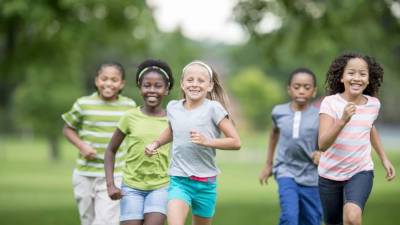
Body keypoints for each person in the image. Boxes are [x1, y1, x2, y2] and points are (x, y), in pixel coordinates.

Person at [145, 60, 241, 225]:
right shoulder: (173, 107)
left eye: (200, 81)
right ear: (182, 84)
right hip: (179, 180)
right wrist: (156, 143)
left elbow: (235, 142)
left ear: (210, 85)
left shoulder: (214, 108)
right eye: (190, 80)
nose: (194, 84)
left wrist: (207, 141)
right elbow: (172, 131)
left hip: (206, 184)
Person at [318, 52, 396, 225]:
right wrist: (343, 120)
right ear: (341, 77)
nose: (357, 78)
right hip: (329, 174)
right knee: (333, 222)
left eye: (362, 74)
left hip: (360, 171)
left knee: (353, 217)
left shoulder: (373, 104)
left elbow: (369, 128)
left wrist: (384, 159)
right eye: (351, 73)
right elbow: (322, 144)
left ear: (369, 79)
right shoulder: (330, 103)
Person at [62, 62, 136, 225]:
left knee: (106, 221)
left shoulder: (128, 106)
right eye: (104, 78)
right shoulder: (83, 104)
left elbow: (136, 133)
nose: (108, 83)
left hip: (114, 173)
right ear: (97, 81)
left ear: (122, 83)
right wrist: (82, 146)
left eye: (114, 80)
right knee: (87, 220)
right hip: (85, 173)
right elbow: (68, 129)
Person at [104, 59, 174, 225]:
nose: (152, 90)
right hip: (131, 188)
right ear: (139, 87)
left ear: (167, 89)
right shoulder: (129, 117)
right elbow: (110, 151)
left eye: (158, 86)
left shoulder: (173, 119)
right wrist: (110, 185)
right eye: (147, 85)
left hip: (160, 187)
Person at [259, 68, 323, 225]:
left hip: (312, 175)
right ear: (289, 89)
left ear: (314, 91)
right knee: (290, 216)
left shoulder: (320, 115)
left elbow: (327, 140)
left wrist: (322, 153)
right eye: (297, 87)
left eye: (307, 87)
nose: (301, 91)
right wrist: (268, 164)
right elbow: (274, 134)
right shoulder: (278, 112)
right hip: (285, 171)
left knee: (311, 220)